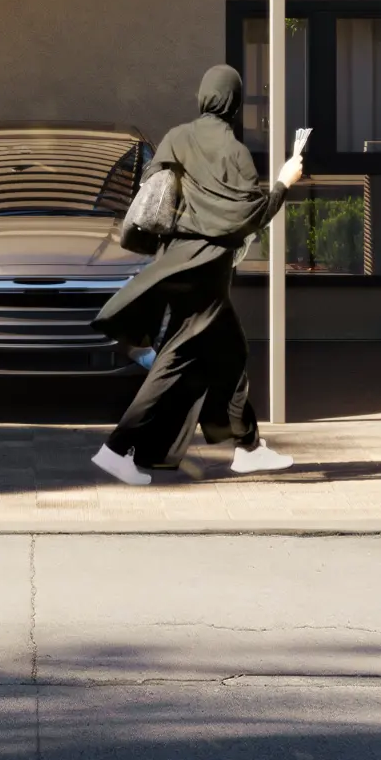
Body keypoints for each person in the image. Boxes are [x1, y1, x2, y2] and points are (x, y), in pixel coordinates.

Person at [89, 63, 307, 485]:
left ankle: (247, 447)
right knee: (176, 359)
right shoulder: (235, 152)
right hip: (206, 270)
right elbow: (248, 216)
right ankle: (117, 449)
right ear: (236, 102)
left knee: (231, 352)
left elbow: (157, 194)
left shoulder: (177, 137)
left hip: (175, 262)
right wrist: (283, 183)